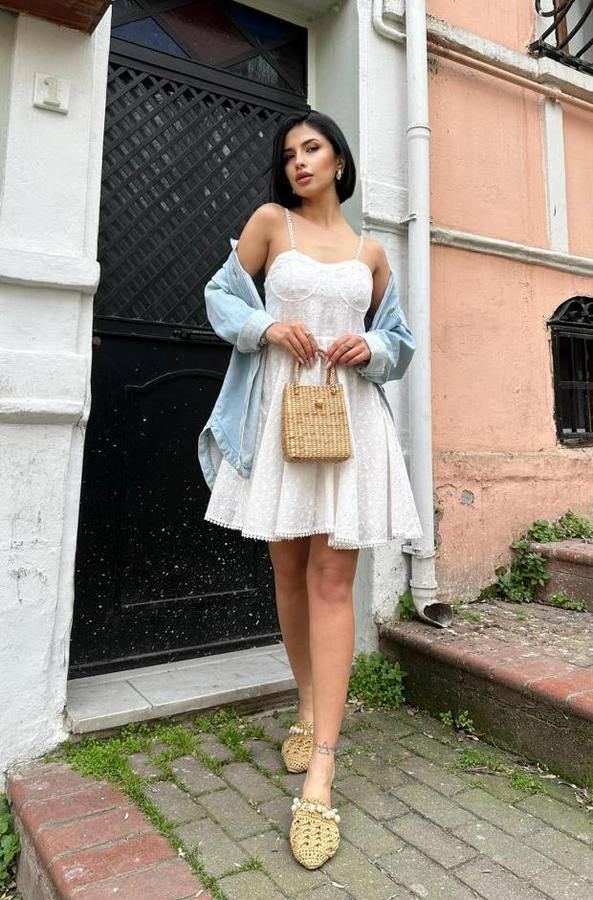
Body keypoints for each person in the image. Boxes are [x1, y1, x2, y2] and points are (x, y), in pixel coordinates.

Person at [199, 110, 423, 868]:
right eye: (289, 152)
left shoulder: (372, 252)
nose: (299, 161)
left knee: (333, 581)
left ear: (338, 160)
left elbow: (401, 343)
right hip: (281, 416)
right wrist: (266, 329)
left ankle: (321, 769)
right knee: (289, 573)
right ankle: (305, 703)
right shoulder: (271, 224)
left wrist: (373, 345)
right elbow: (221, 296)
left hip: (349, 422)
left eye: (313, 148)